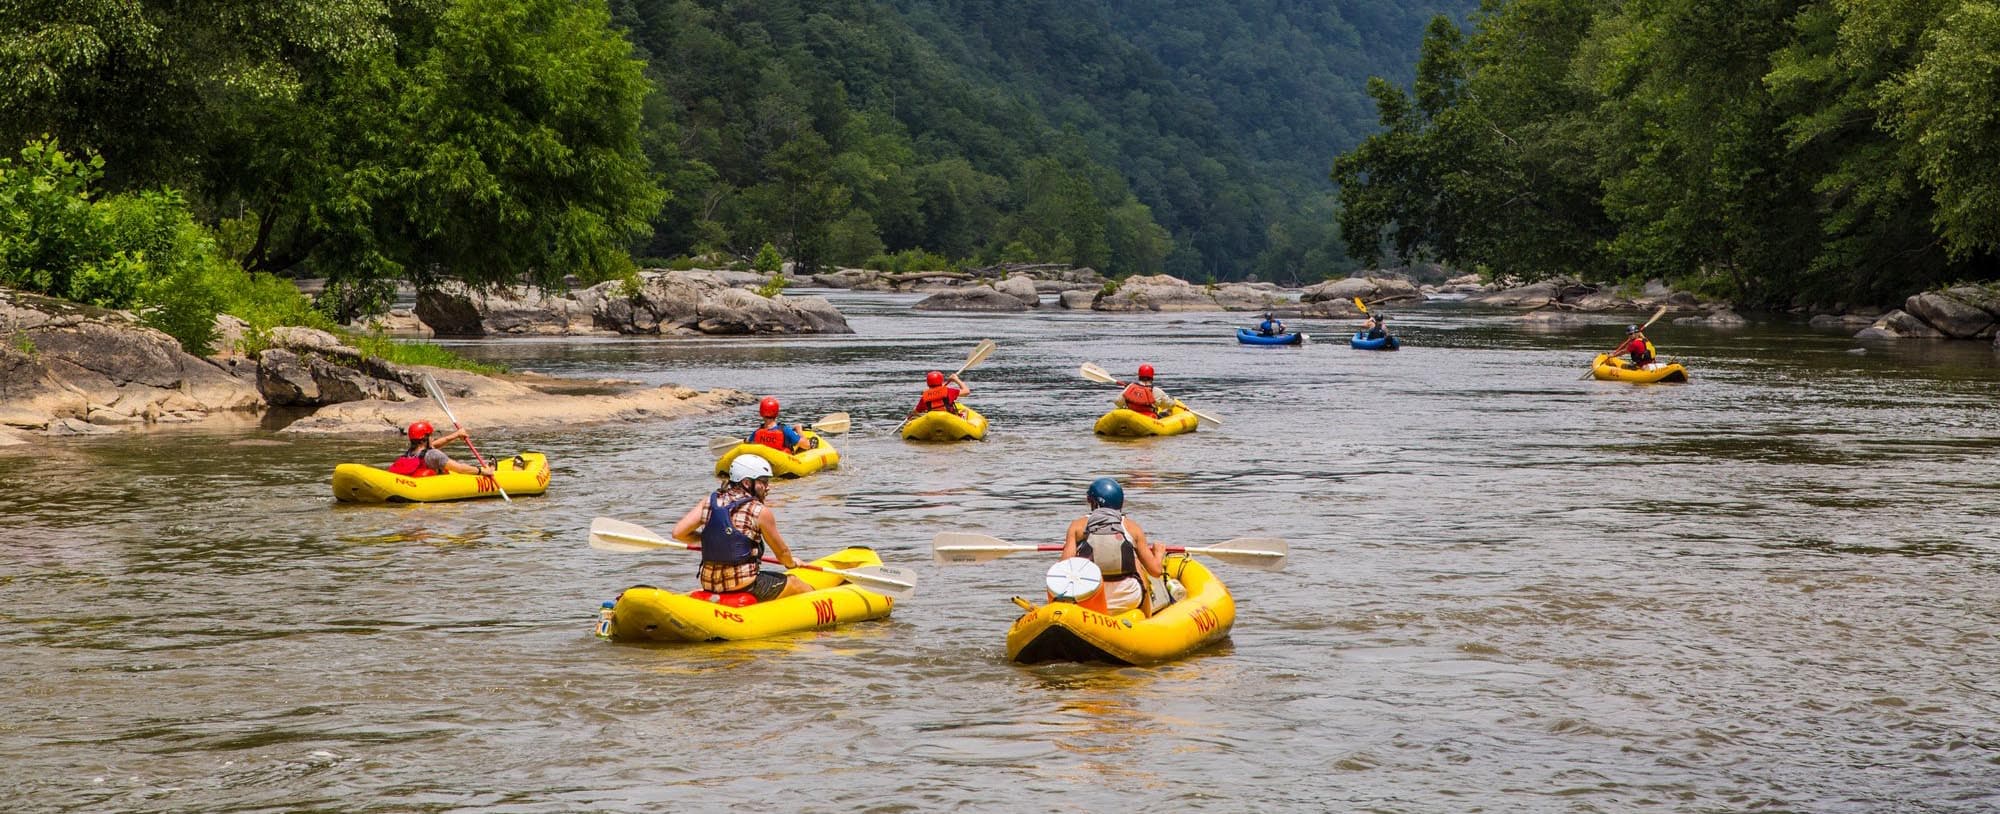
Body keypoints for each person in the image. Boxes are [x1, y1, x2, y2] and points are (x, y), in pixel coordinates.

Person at [672, 456, 812, 602]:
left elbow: (678, 533)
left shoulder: (709, 501)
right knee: (795, 582)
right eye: (763, 482)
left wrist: (712, 540)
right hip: (744, 585)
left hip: (709, 584)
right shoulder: (759, 511)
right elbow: (782, 553)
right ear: (746, 482)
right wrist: (792, 563)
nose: (768, 487)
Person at [1059, 477, 1166, 615]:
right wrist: (1158, 553)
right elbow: (1156, 571)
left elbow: (1063, 568)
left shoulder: (1077, 526)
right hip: (1128, 598)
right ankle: (1146, 618)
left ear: (1092, 502)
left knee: (1076, 563)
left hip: (1089, 597)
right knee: (1136, 562)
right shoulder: (1132, 527)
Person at [387, 421, 493, 477]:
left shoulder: (410, 453)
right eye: (431, 436)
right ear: (424, 439)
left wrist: (456, 435)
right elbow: (460, 469)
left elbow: (434, 445)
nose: (433, 438)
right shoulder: (434, 455)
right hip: (429, 486)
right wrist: (483, 471)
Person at [746, 396, 816, 453]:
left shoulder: (756, 433)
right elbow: (806, 445)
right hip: (782, 465)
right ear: (777, 413)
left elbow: (748, 442)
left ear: (761, 413)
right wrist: (799, 430)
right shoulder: (785, 430)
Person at [907, 370, 971, 420]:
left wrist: (915, 413)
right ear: (941, 381)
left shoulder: (925, 396)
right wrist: (956, 379)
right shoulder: (948, 391)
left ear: (928, 383)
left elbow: (916, 411)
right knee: (965, 411)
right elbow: (967, 391)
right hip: (949, 417)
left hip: (932, 418)